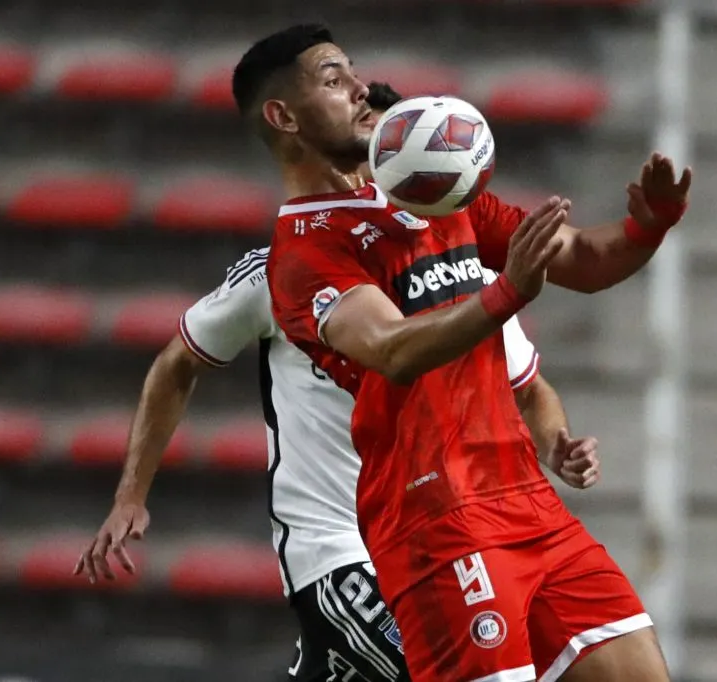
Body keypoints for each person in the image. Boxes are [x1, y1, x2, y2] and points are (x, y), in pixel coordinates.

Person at [72, 82, 601, 682]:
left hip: (448, 539)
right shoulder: (285, 267)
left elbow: (529, 388)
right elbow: (178, 361)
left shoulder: (466, 275)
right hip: (340, 552)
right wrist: (130, 495)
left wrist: (556, 443)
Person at [248, 23, 690, 682]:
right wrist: (507, 290)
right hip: (435, 520)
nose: (360, 87)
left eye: (354, 72)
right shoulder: (306, 251)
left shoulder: (440, 200)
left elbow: (581, 259)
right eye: (334, 80)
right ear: (284, 115)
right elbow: (390, 349)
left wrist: (646, 227)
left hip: (527, 502)